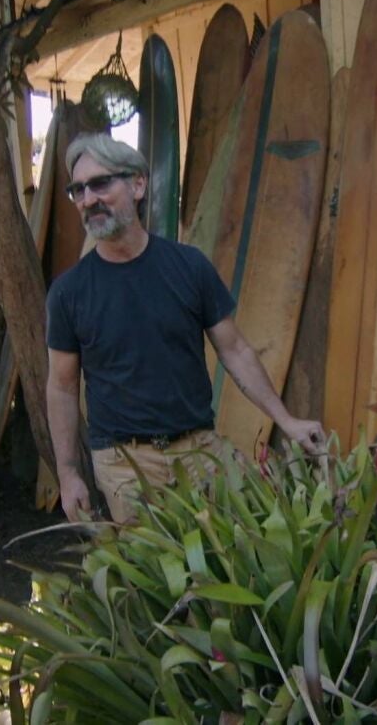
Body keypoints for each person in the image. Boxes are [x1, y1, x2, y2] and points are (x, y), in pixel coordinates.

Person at [45, 133, 326, 524]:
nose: (88, 199)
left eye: (101, 183)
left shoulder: (189, 267)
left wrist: (286, 420)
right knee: (154, 580)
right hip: (125, 465)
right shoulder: (68, 293)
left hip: (200, 451)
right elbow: (61, 387)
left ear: (138, 184)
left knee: (234, 562)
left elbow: (236, 350)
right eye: (78, 190)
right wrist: (68, 472)